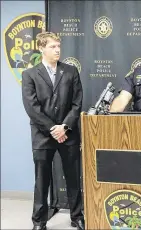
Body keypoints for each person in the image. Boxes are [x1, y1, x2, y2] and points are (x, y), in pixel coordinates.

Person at [22, 32, 84, 230]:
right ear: (41, 48)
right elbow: (32, 108)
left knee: (73, 177)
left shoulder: (71, 71)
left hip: (69, 133)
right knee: (42, 180)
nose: (57, 50)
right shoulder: (30, 74)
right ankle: (39, 221)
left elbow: (77, 103)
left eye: (58, 46)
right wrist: (52, 129)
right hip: (42, 136)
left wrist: (64, 127)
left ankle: (77, 216)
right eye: (52, 46)